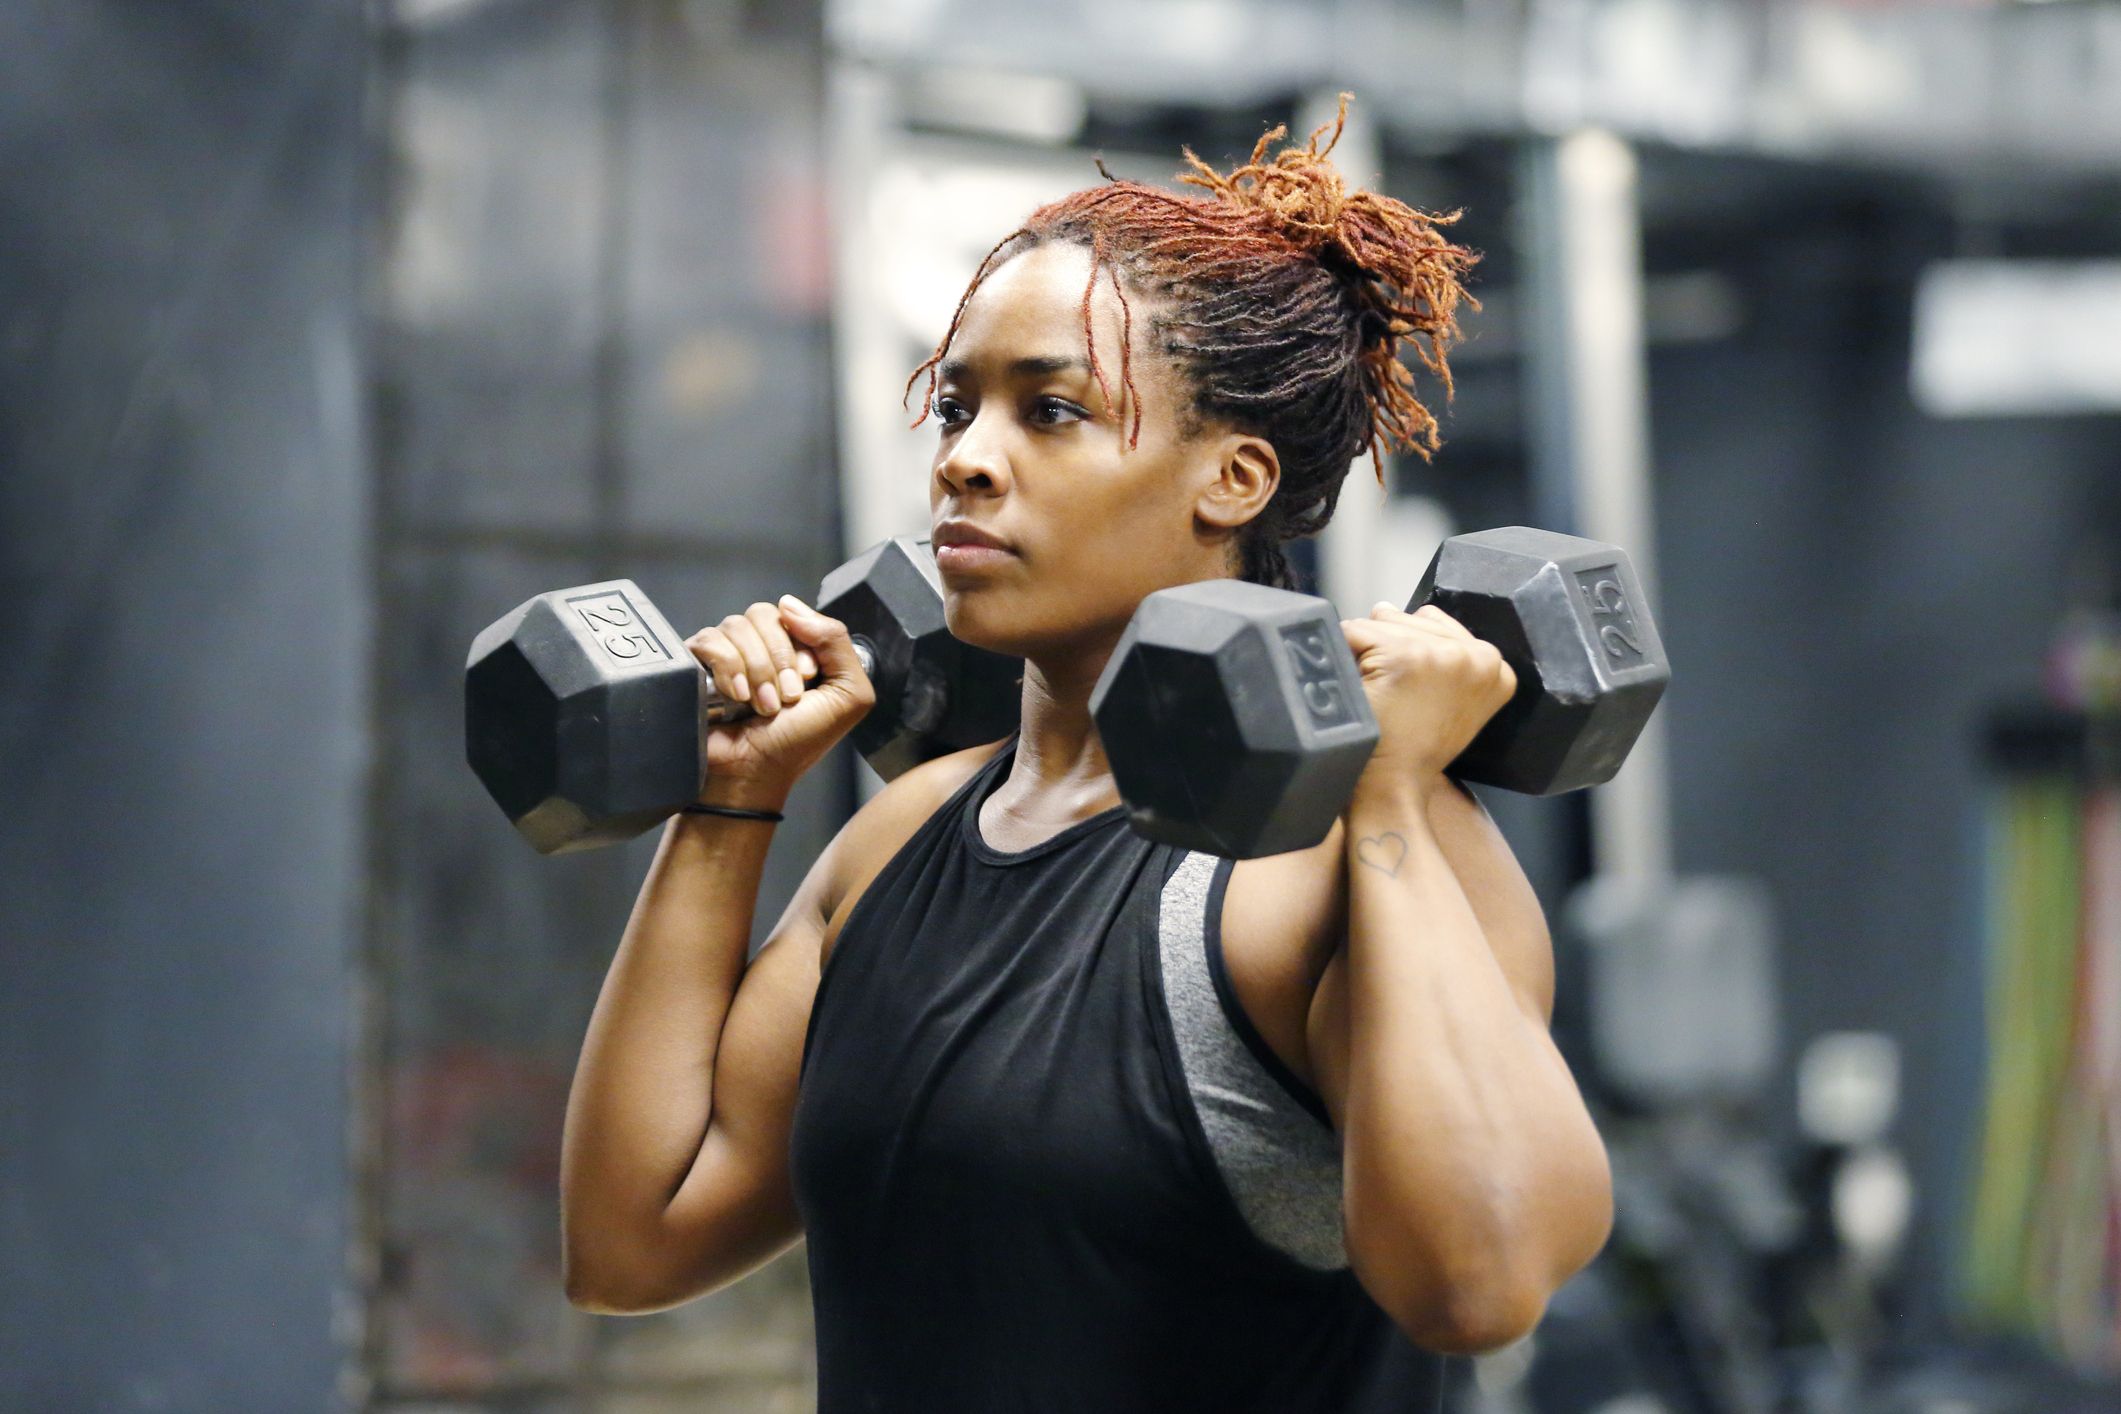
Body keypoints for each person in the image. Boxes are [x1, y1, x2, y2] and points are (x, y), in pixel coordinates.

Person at [558, 98, 1613, 1411]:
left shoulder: (1333, 848)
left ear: (1228, 478)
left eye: (1047, 411)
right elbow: (631, 1236)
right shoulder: (899, 837)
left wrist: (1393, 790)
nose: (965, 465)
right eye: (955, 407)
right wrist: (729, 803)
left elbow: (1481, 1281)